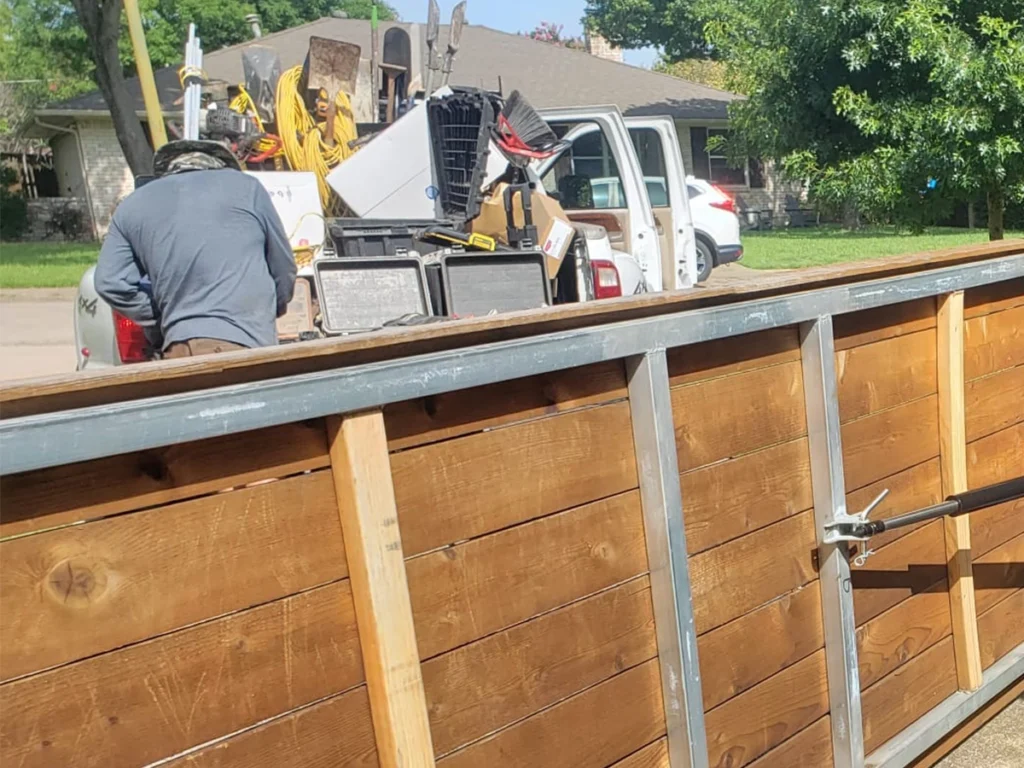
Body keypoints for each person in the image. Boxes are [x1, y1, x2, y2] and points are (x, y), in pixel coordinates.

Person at [94, 140, 296, 359]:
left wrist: (163, 319)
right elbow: (283, 268)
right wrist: (274, 307)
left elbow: (109, 283)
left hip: (177, 349)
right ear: (221, 164)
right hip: (244, 344)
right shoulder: (247, 188)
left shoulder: (131, 205)